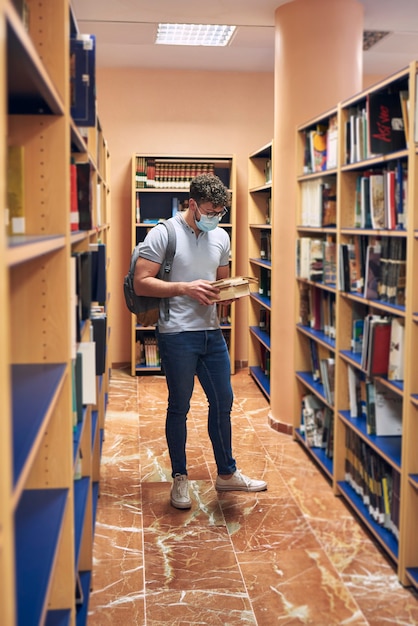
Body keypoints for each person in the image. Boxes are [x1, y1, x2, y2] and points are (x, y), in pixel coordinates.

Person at [134, 173, 267, 509]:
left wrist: (227, 294)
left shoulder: (220, 237)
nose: (215, 217)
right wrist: (184, 287)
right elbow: (141, 283)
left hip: (211, 333)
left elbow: (219, 284)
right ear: (192, 204)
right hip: (176, 333)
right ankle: (180, 478)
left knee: (223, 402)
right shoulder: (163, 234)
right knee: (179, 406)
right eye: (209, 210)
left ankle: (227, 474)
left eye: (220, 212)